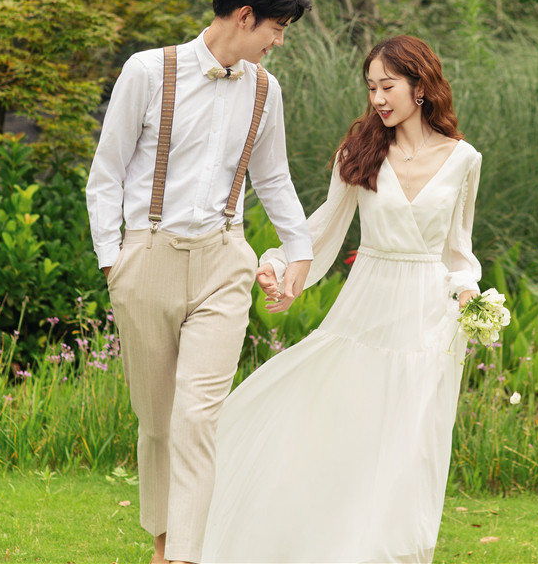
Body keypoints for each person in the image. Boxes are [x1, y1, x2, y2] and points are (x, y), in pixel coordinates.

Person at [202, 34, 484, 564]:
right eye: (371, 87)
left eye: (388, 86)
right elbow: (323, 227)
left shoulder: (463, 159)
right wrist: (281, 266)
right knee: (344, 429)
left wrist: (469, 294)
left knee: (411, 447)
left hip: (429, 322)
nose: (377, 98)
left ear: (420, 86)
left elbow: (458, 250)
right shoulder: (359, 154)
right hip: (366, 309)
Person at [86, 0, 316, 564]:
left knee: (197, 416)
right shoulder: (146, 72)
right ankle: (165, 542)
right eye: (277, 29)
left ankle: (183, 555)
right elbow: (106, 173)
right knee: (159, 422)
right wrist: (114, 262)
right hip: (147, 260)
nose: (277, 42)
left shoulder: (266, 90)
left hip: (223, 263)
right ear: (245, 15)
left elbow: (273, 178)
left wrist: (299, 251)